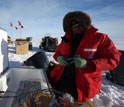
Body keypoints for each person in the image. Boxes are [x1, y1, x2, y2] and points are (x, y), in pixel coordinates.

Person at [49, 11, 121, 105]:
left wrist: (88, 64)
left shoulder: (100, 38)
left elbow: (113, 60)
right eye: (74, 26)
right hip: (62, 77)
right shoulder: (66, 39)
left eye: (79, 25)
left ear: (85, 25)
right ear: (70, 28)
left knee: (75, 102)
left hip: (82, 84)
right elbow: (57, 53)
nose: (77, 28)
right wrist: (59, 58)